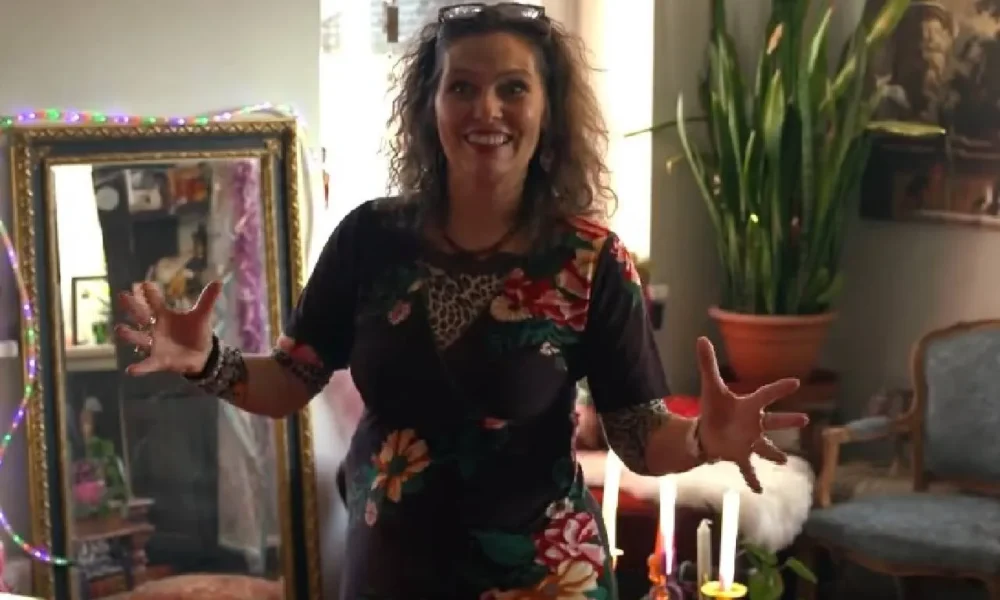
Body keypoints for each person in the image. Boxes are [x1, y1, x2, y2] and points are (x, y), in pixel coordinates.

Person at [115, 4, 807, 598]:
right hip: (391, 571)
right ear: (432, 106)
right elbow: (291, 379)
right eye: (463, 87)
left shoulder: (591, 260)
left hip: (542, 576)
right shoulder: (369, 239)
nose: (487, 109)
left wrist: (701, 439)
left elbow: (637, 434)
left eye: (513, 88)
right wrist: (208, 360)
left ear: (547, 109)